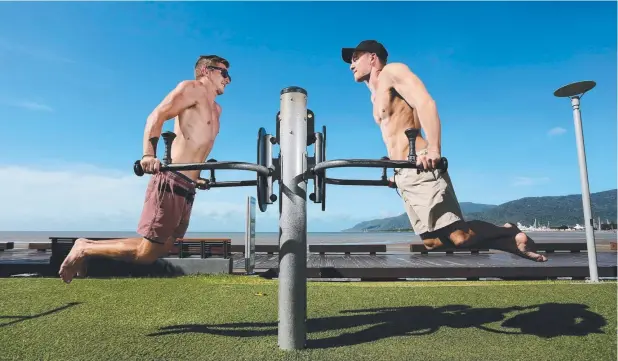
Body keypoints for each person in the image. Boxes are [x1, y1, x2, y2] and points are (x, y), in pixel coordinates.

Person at [341, 40, 547, 262]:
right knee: (432, 242)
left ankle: (509, 232)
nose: (351, 65)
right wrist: (393, 167)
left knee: (459, 236)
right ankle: (510, 241)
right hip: (403, 172)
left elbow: (425, 103)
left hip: (421, 164)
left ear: (372, 57)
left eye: (355, 58)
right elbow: (395, 134)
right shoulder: (374, 96)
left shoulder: (392, 71)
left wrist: (434, 148)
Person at [58, 55, 233, 283]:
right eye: (224, 73)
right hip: (171, 180)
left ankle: (87, 246)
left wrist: (197, 177)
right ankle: (84, 248)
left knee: (161, 247)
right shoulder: (192, 88)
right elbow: (157, 115)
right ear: (205, 71)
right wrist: (148, 154)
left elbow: (197, 145)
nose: (228, 80)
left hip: (188, 186)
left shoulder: (217, 110)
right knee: (145, 254)